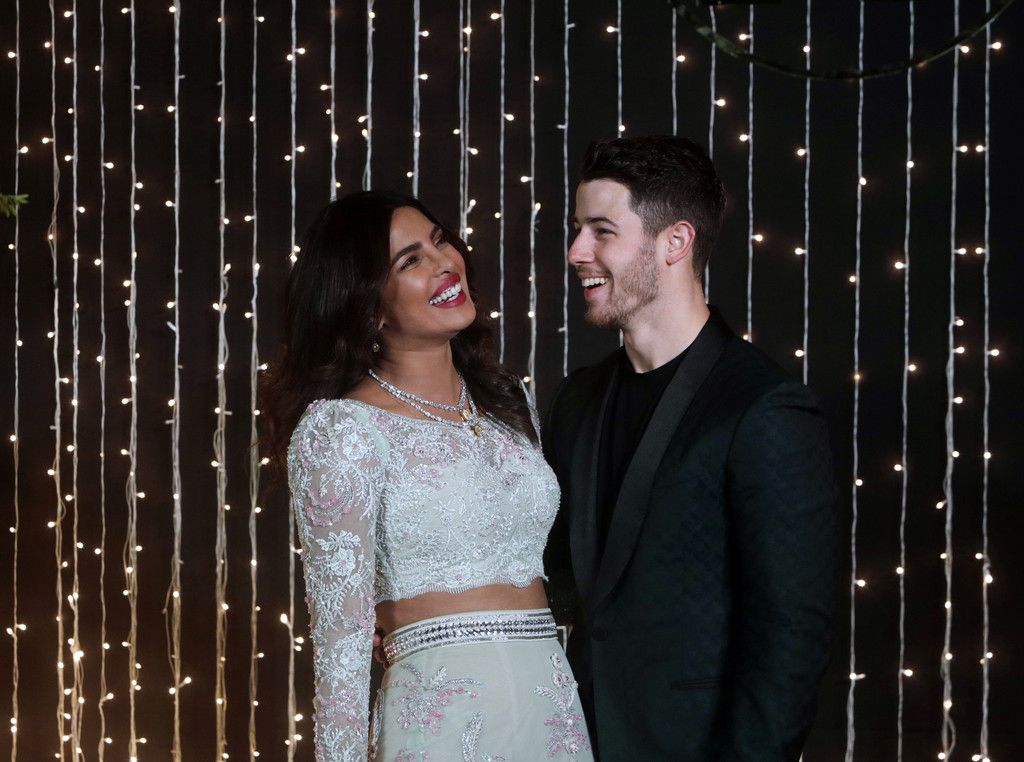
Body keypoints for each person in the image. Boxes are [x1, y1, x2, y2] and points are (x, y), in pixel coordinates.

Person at [262, 190, 593, 761]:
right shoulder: (342, 430)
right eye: (410, 260)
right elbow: (341, 653)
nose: (444, 263)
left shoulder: (508, 404)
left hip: (552, 714)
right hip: (441, 725)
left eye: (440, 242)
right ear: (369, 306)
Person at [542, 136, 837, 761]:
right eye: (576, 230)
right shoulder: (575, 399)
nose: (576, 252)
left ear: (675, 242)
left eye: (601, 231)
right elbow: (559, 580)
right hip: (569, 739)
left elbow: (789, 635)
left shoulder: (763, 406)